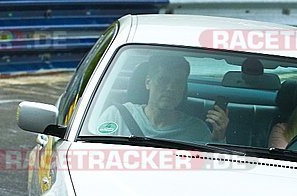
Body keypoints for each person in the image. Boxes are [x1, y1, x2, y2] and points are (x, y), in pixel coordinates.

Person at [96, 54, 229, 142]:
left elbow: (211, 173)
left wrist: (219, 137)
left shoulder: (197, 130)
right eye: (163, 80)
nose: (171, 88)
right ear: (148, 82)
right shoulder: (115, 117)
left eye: (178, 82)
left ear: (184, 88)